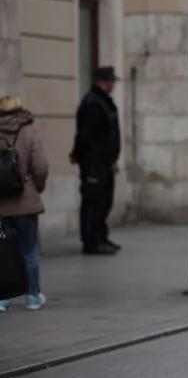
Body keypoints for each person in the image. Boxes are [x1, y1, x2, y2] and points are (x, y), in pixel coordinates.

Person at [0, 96, 49, 312]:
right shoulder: (29, 130)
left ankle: (2, 299)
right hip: (25, 201)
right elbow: (40, 166)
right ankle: (32, 297)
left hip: (1, 204)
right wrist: (35, 186)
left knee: (2, 250)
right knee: (28, 249)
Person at [71, 66, 121, 255]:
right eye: (111, 81)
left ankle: (101, 236)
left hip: (104, 162)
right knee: (93, 202)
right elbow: (85, 134)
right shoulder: (93, 102)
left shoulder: (103, 102)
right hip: (94, 163)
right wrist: (79, 153)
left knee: (105, 201)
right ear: (103, 81)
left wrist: (111, 159)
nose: (113, 85)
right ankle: (91, 241)